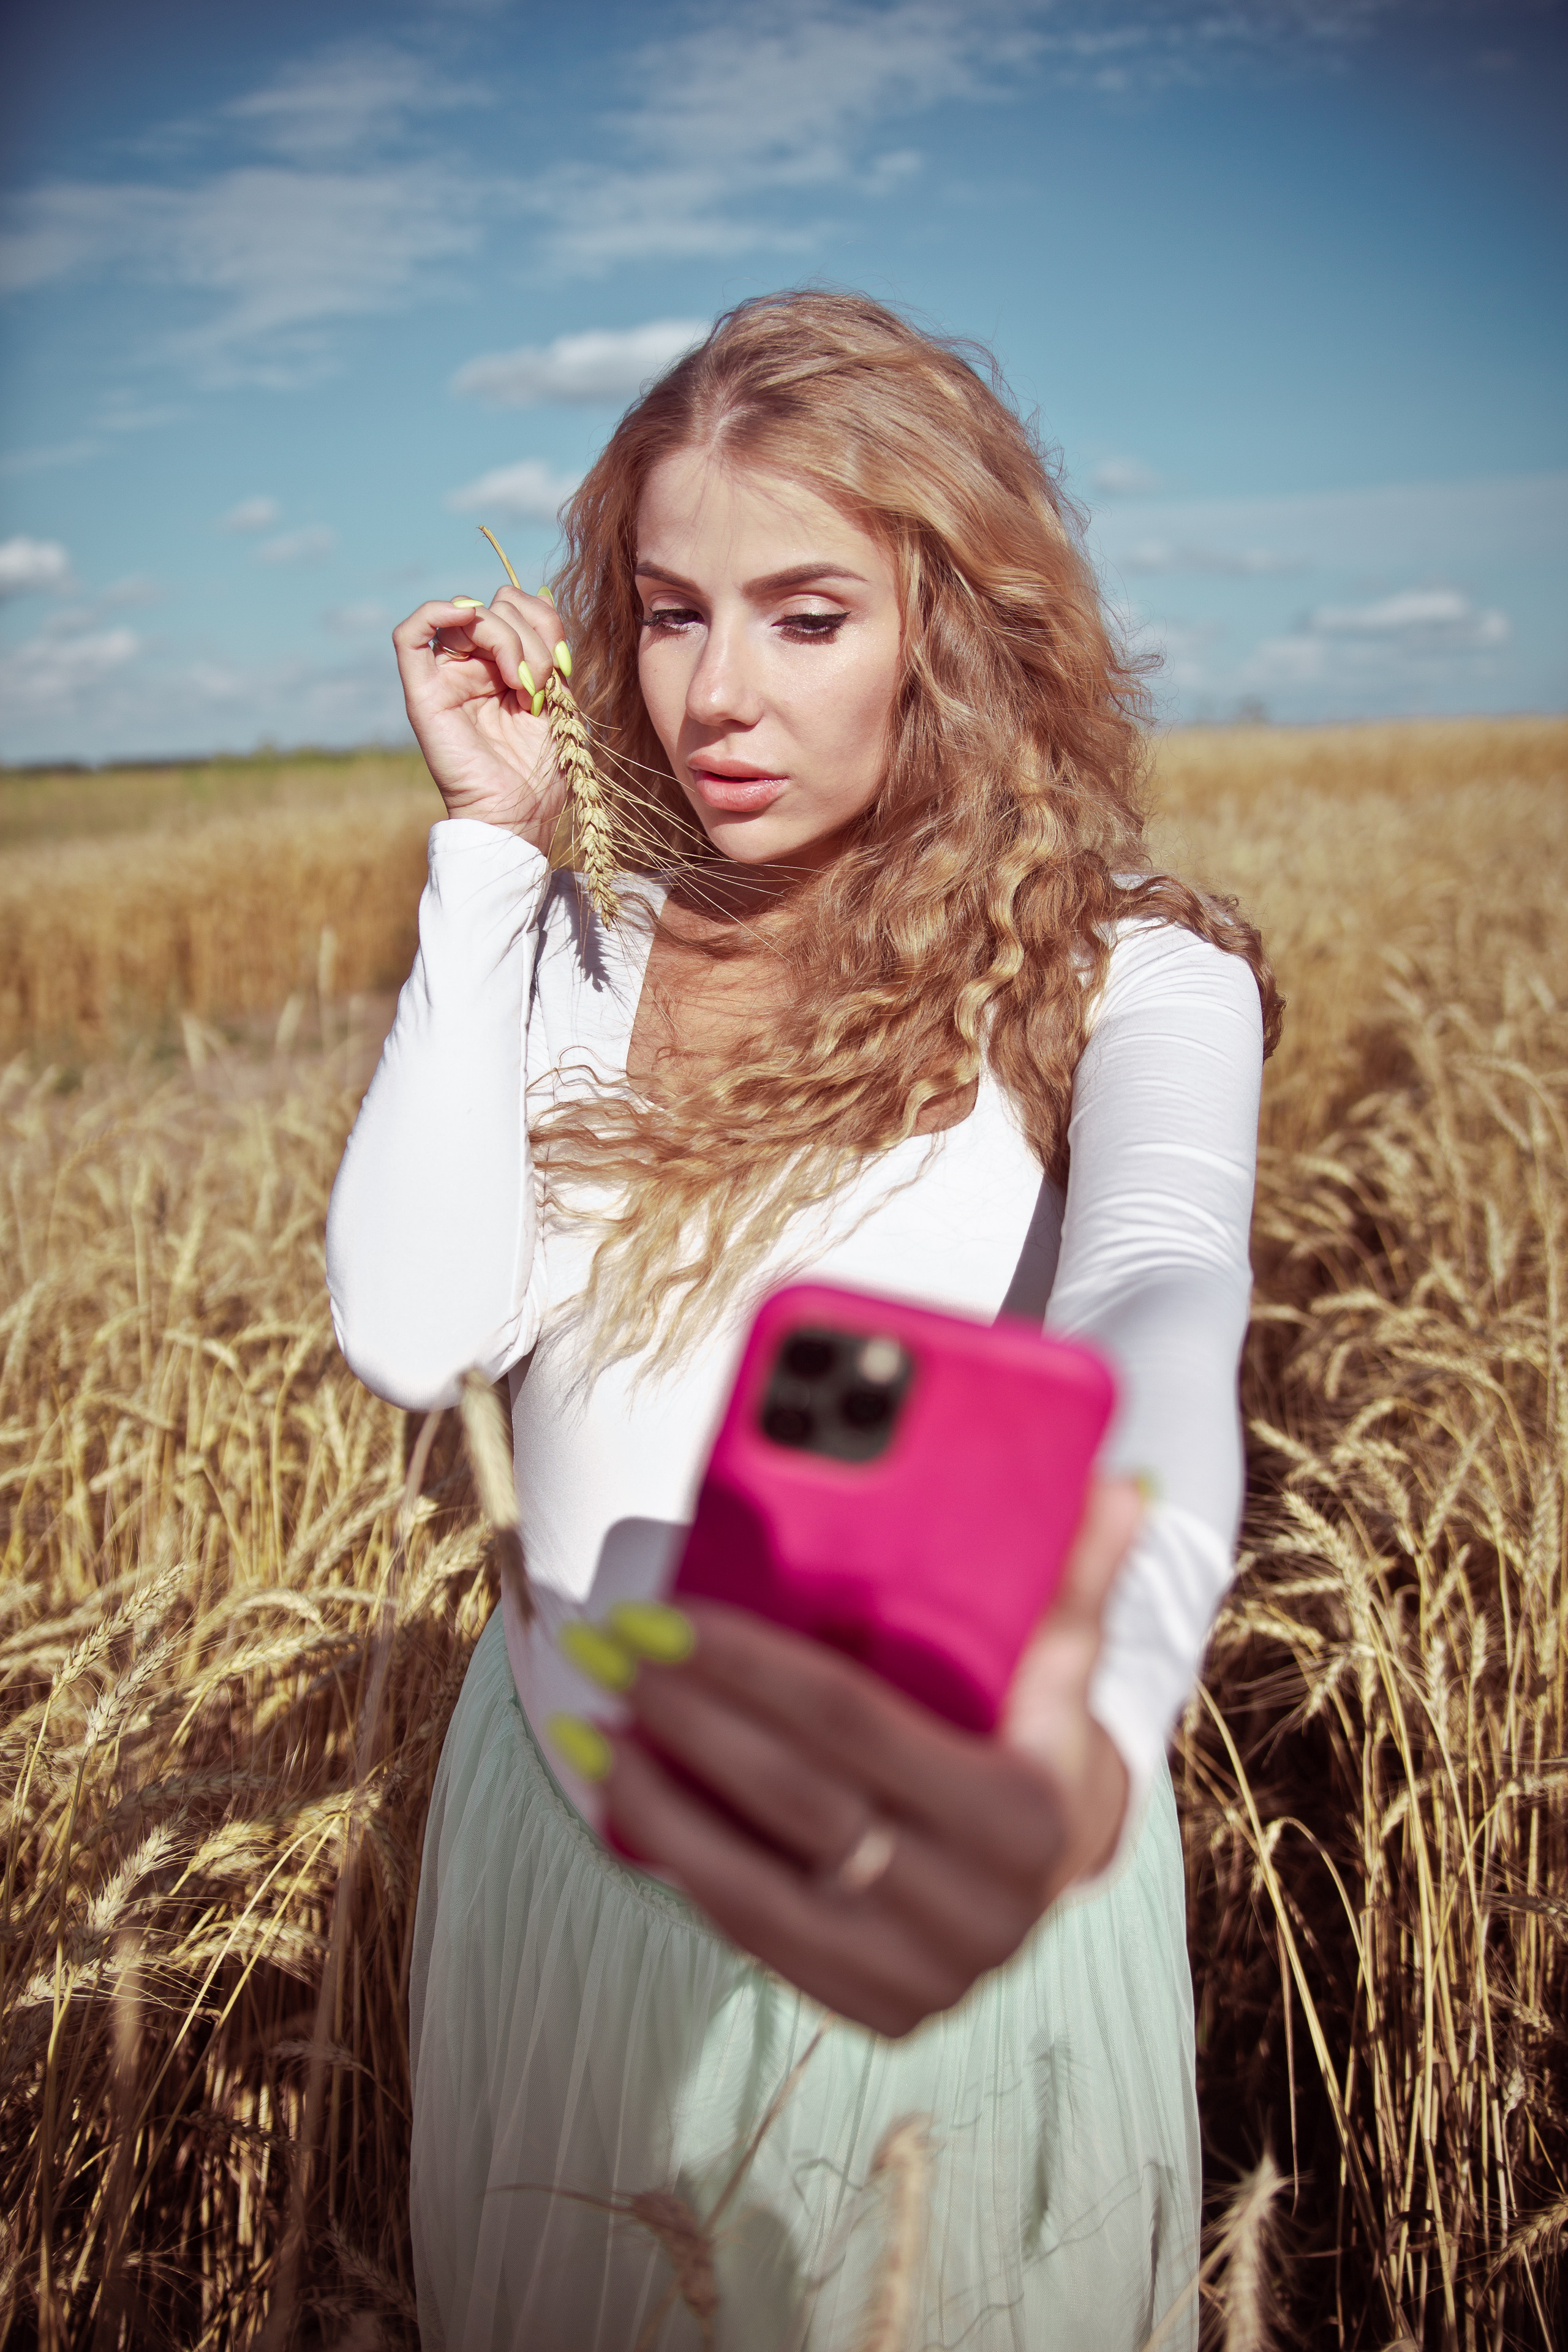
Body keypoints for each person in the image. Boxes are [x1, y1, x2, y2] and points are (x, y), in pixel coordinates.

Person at [326, 290, 1276, 2351]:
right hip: (568, 1875)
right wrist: (490, 859)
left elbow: (1159, 1311)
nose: (715, 697)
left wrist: (1095, 1730)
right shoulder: (584, 951)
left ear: (953, 621)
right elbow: (415, 1331)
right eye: (670, 613)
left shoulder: (1128, 975)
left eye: (806, 616)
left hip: (924, 1862)